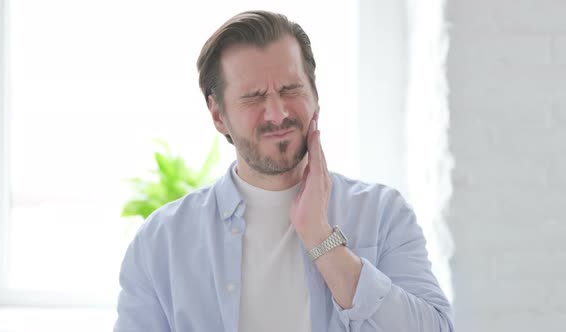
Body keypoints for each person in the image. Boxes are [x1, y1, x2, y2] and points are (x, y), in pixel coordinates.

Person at [114, 10, 454, 332]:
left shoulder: (382, 214)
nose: (276, 114)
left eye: (290, 89)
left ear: (315, 95)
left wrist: (321, 238)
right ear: (218, 115)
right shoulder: (161, 242)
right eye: (253, 97)